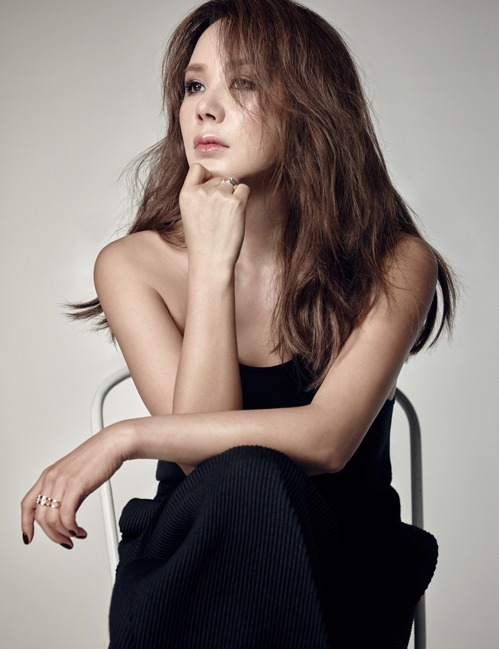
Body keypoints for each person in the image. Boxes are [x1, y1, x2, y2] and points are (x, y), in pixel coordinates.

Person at [21, 0, 456, 647]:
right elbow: (202, 468)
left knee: (253, 477)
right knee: (241, 480)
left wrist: (126, 437)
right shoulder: (132, 264)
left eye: (243, 83)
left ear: (310, 105)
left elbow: (329, 440)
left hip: (339, 573)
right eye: (195, 85)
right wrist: (211, 268)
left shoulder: (391, 261)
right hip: (194, 566)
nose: (206, 108)